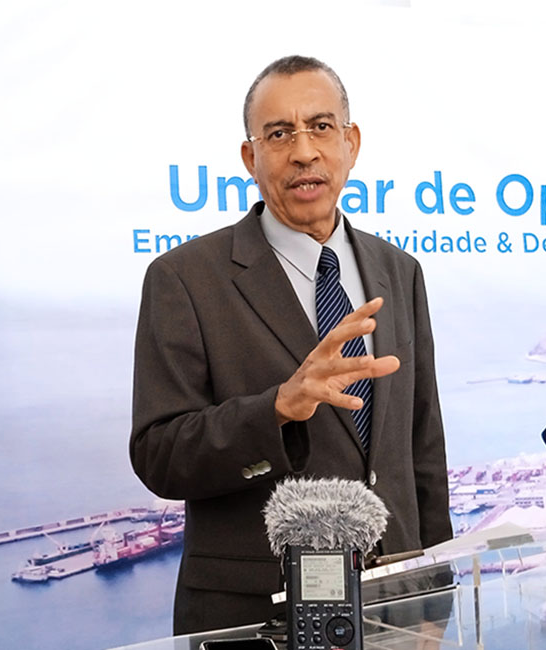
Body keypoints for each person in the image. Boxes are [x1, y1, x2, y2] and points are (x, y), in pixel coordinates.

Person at [130, 55, 452, 635]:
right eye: (279, 134)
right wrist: (278, 407)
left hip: (395, 611)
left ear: (351, 143)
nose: (304, 151)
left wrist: (434, 605)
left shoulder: (399, 271)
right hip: (253, 617)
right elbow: (159, 455)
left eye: (321, 127)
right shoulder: (184, 279)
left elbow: (422, 446)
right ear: (250, 158)